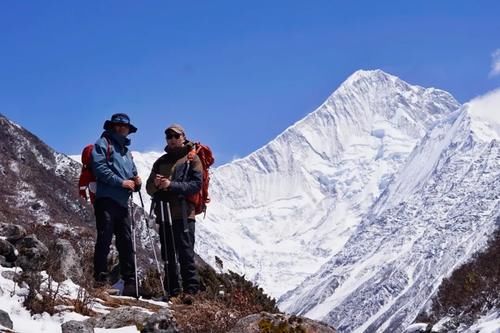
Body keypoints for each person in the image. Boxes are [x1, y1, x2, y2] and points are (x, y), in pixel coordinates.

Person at [146, 124, 202, 300]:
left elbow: (196, 185)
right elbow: (148, 187)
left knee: (186, 253)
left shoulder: (192, 159)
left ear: (183, 137)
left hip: (184, 214)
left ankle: (190, 291)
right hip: (164, 213)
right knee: (168, 253)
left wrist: (171, 185)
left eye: (175, 136)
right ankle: (173, 290)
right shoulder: (161, 161)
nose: (172, 139)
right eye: (169, 137)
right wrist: (156, 184)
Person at [91, 113, 142, 297]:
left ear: (129, 130)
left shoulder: (127, 153)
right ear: (112, 127)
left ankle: (130, 283)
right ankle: (99, 282)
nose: (121, 129)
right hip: (106, 200)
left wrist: (137, 182)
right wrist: (121, 182)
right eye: (118, 125)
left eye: (124, 126)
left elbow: (133, 176)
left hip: (122, 203)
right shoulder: (103, 143)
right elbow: (99, 168)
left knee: (126, 242)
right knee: (104, 240)